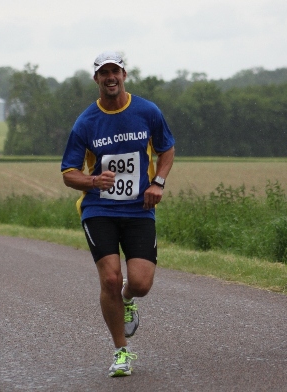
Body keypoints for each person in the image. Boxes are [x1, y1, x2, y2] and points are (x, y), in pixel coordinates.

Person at [61, 51, 175, 377]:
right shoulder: (86, 123)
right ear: (95, 78)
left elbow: (167, 147)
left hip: (139, 209)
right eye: (104, 72)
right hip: (99, 209)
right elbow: (69, 172)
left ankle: (128, 298)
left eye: (116, 71)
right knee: (109, 278)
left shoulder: (147, 111)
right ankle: (121, 351)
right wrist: (93, 180)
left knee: (140, 283)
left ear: (124, 74)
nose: (110, 77)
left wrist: (159, 183)